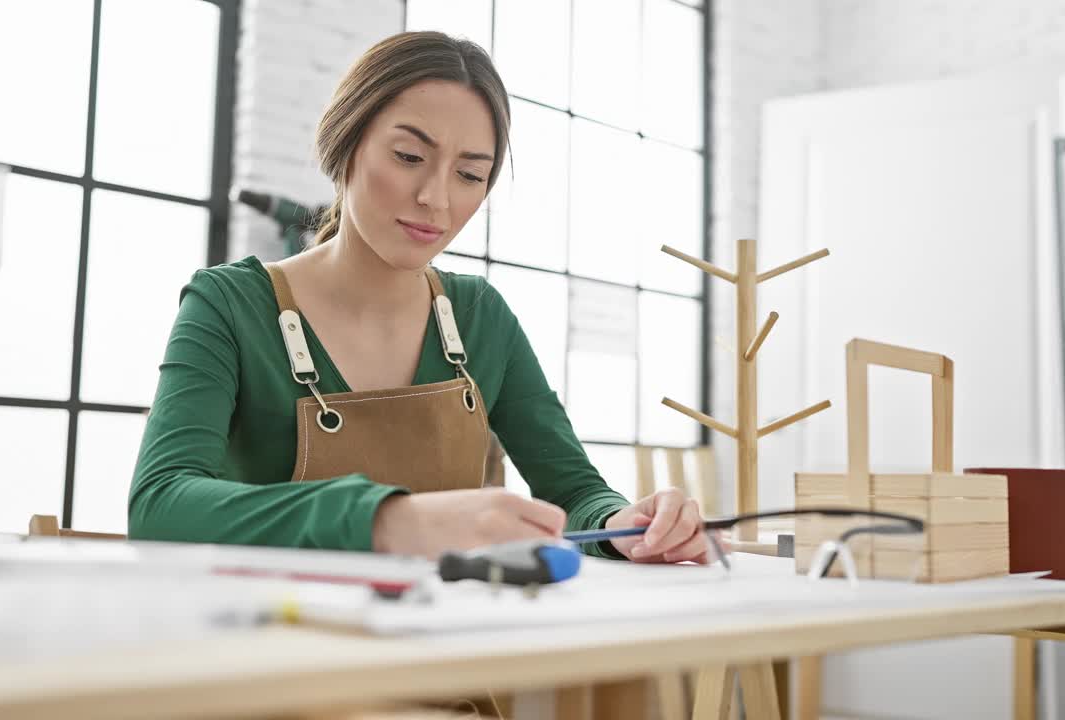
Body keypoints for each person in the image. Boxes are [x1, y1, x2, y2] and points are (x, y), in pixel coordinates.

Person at [128, 30, 709, 564]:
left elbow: (575, 492)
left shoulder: (481, 317)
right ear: (347, 142)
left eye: (470, 175)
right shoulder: (229, 305)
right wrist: (389, 520)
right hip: (278, 661)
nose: (436, 198)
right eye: (409, 157)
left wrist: (622, 525)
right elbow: (160, 503)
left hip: (447, 663)